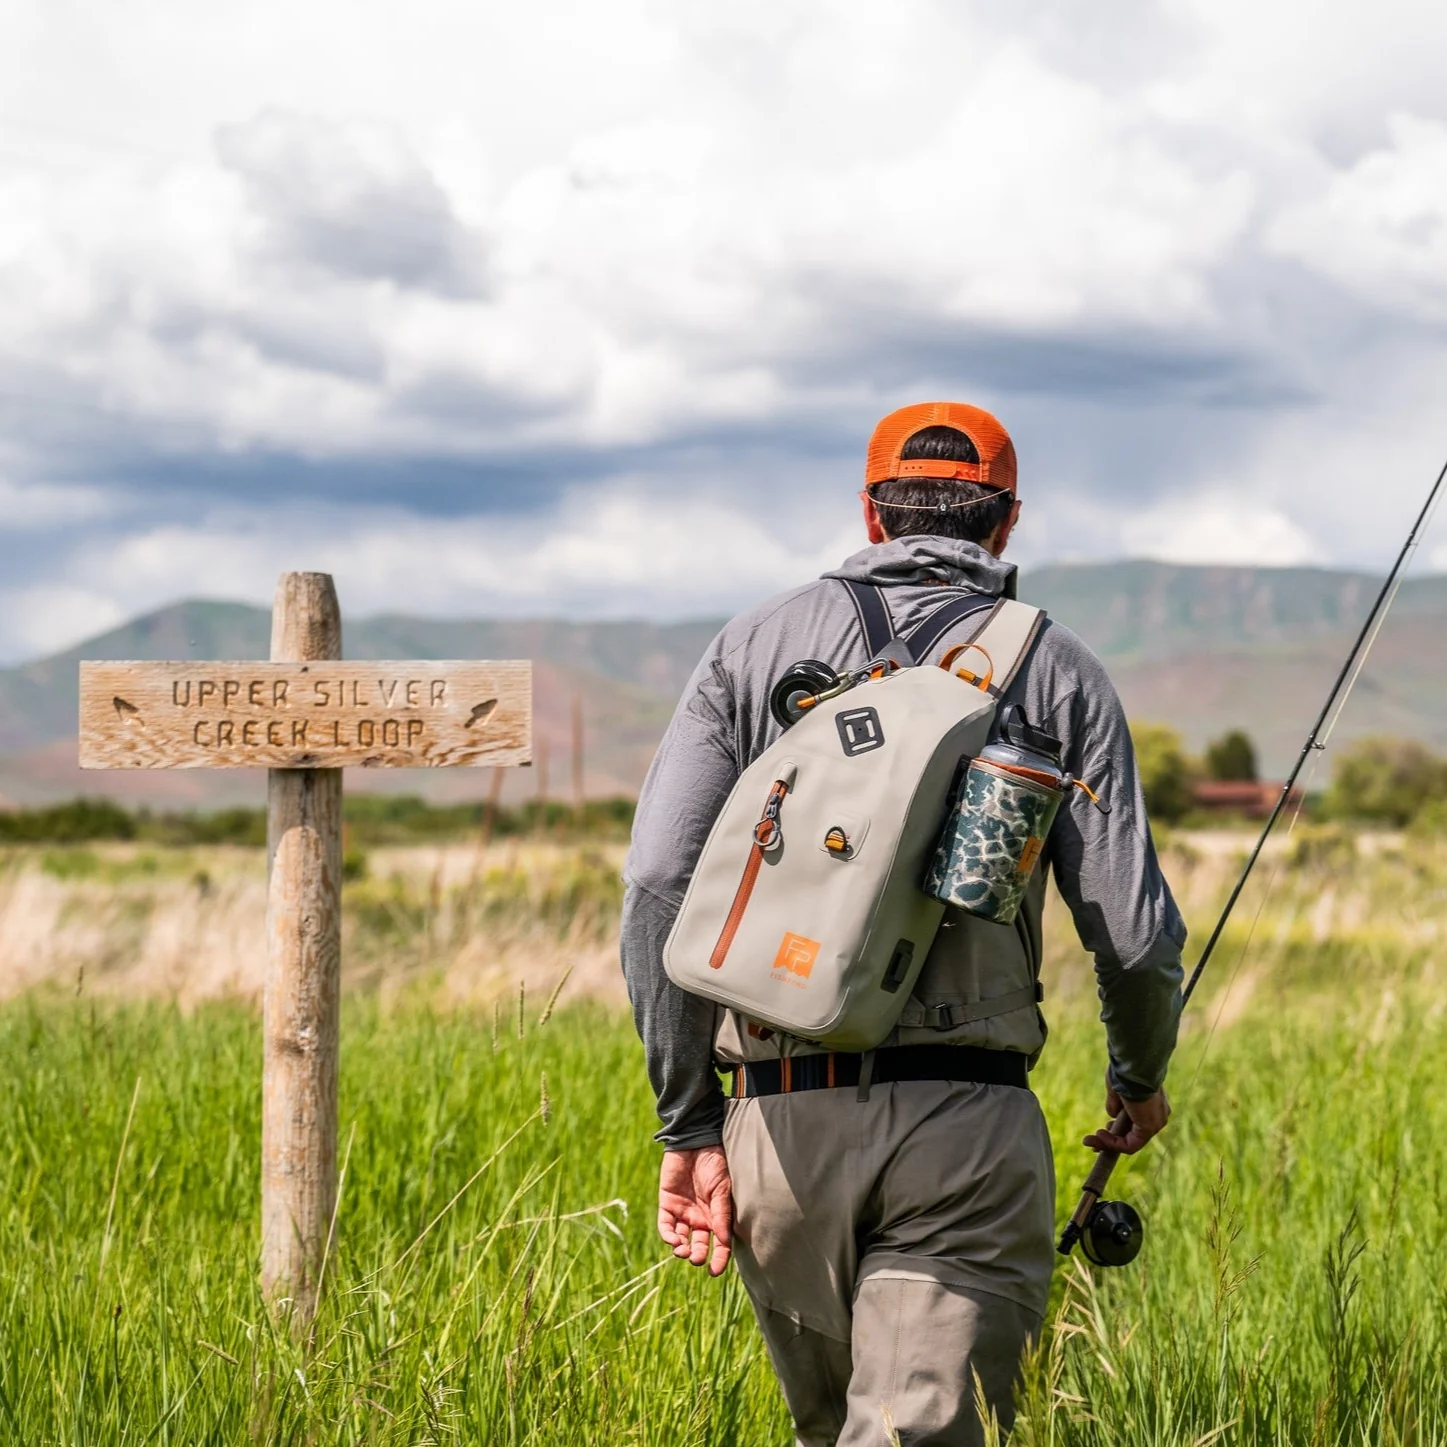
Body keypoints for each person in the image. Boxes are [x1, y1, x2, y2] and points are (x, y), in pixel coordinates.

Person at [621, 401, 1185, 1445]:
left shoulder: (751, 647)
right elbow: (1136, 935)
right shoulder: (1056, 668)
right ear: (1006, 523)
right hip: (965, 1130)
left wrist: (690, 1121)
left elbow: (659, 880)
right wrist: (1138, 1075)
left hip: (776, 1128)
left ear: (872, 515)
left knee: (829, 1429)